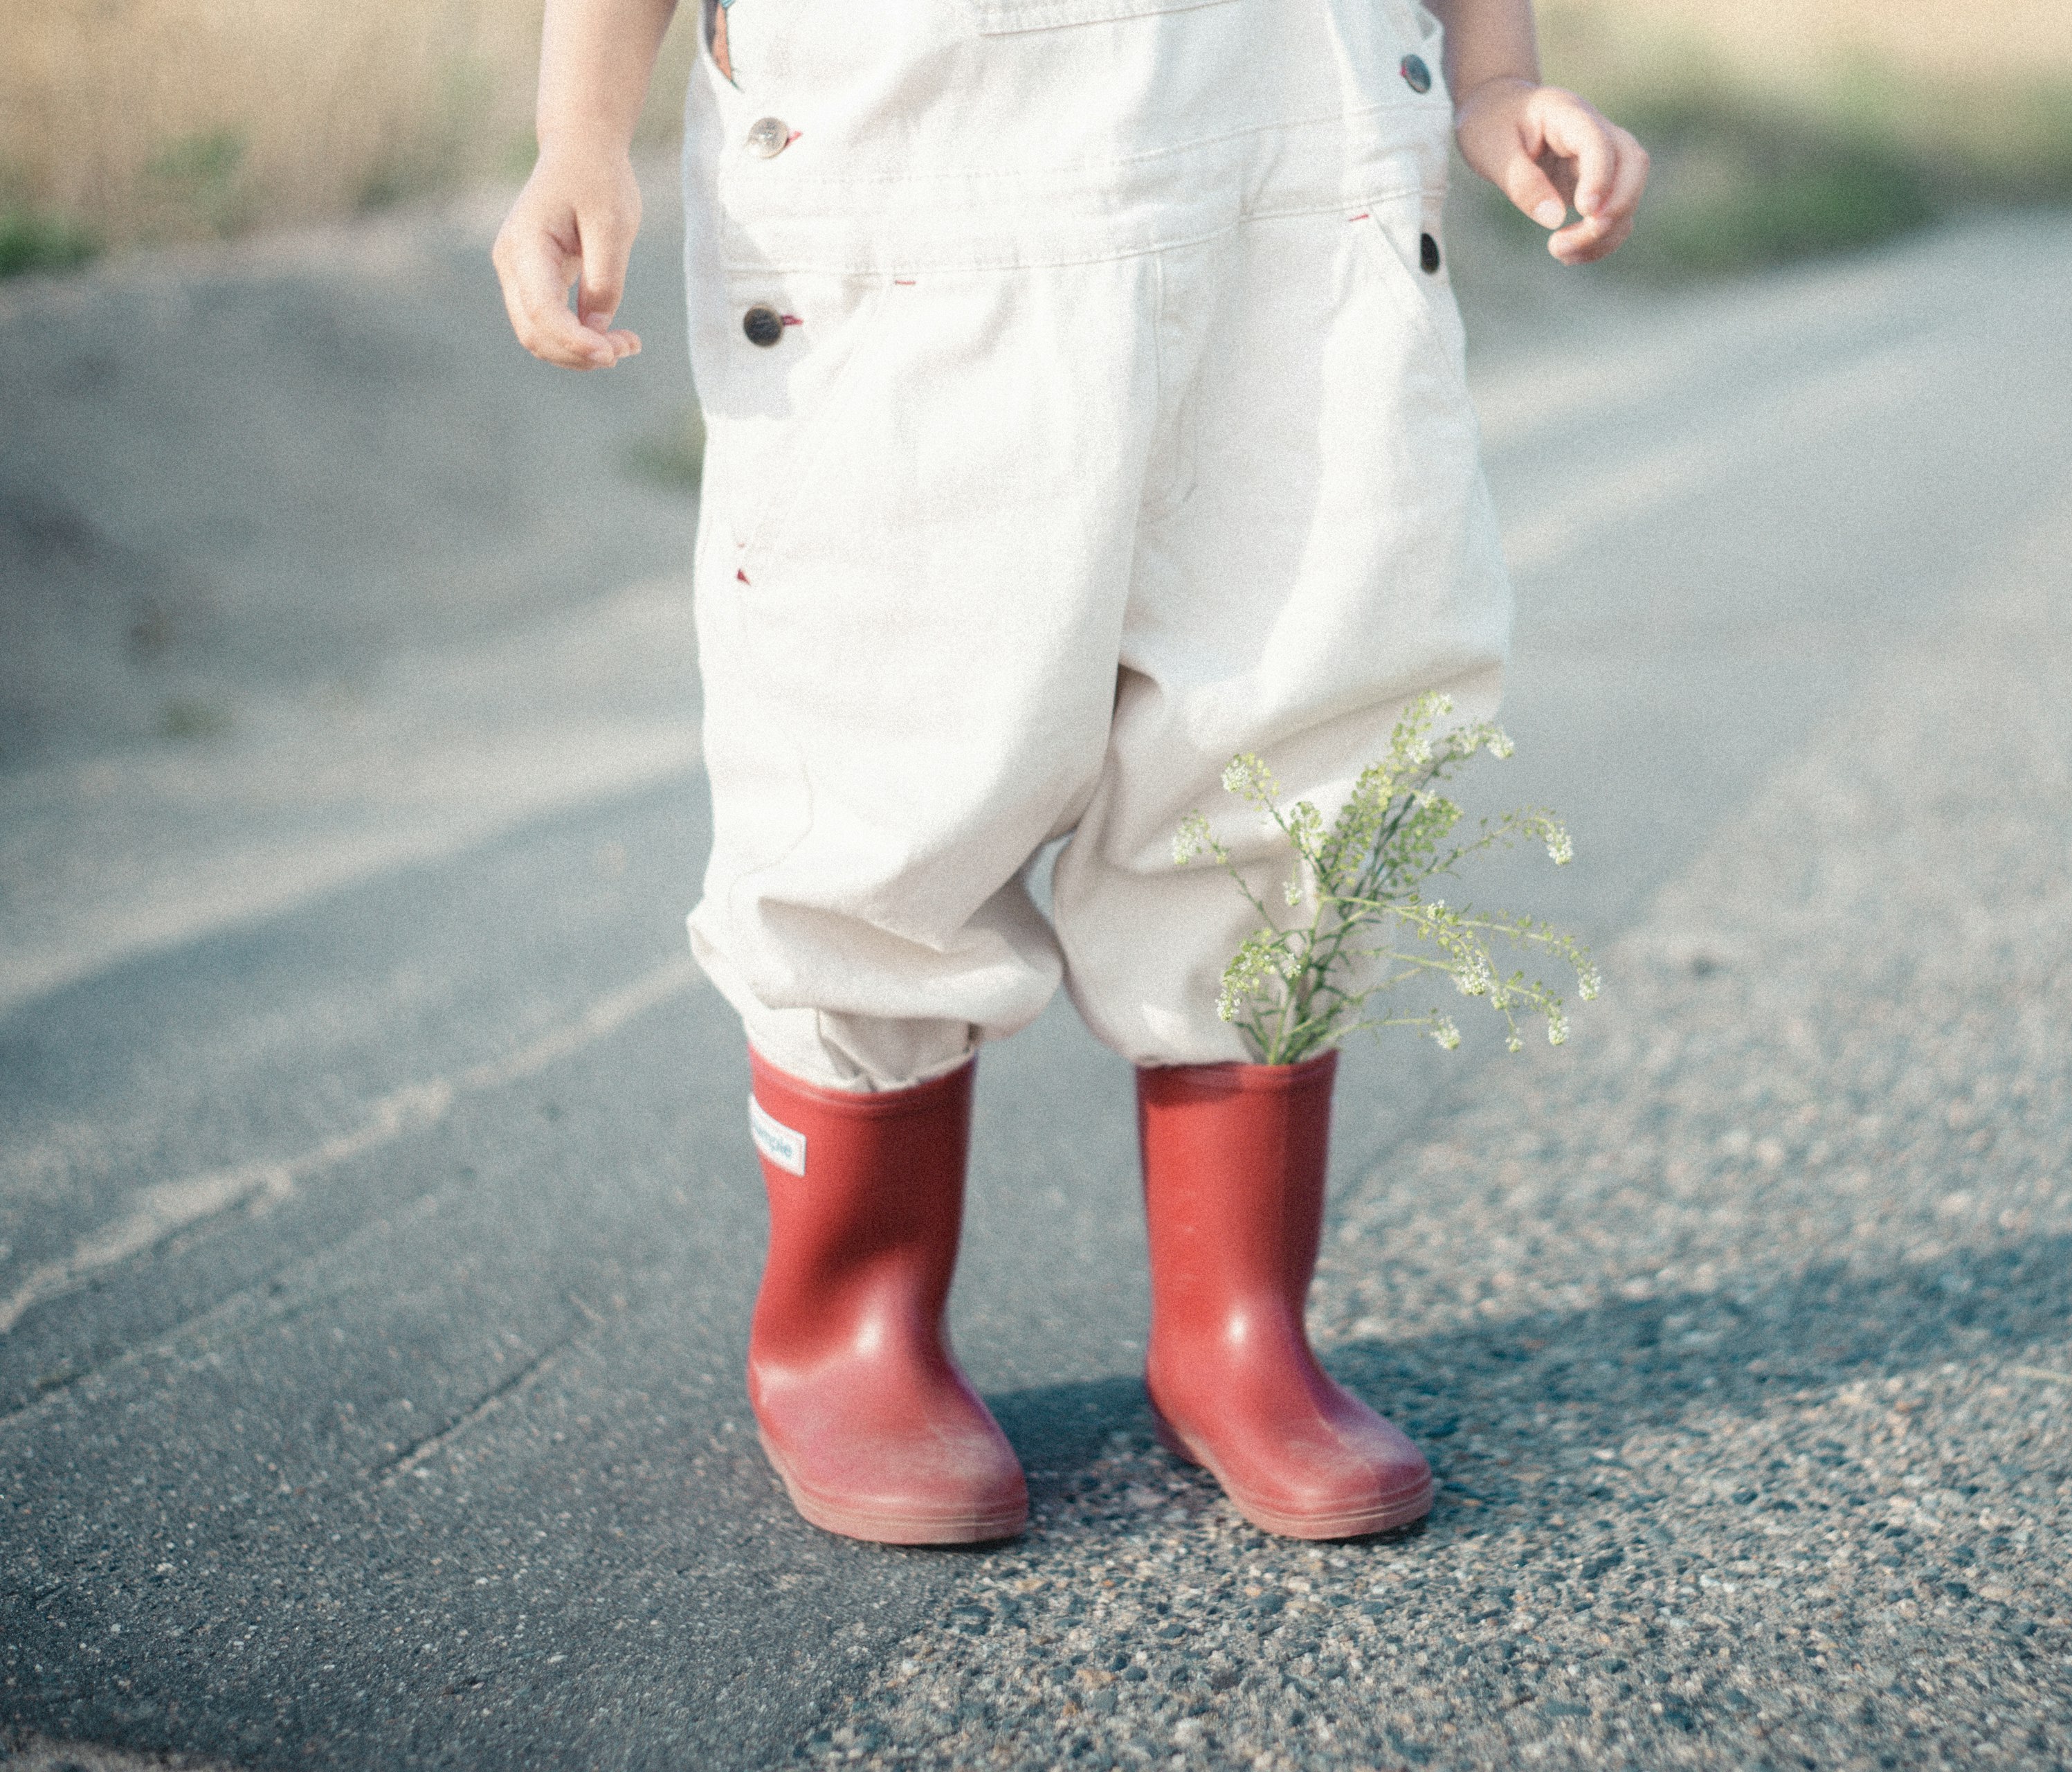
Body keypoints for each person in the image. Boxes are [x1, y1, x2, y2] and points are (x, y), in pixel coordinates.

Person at [492, 0, 1648, 1545]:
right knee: (881, 761)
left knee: (1300, 726)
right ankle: (852, 1328)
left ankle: (1240, 1325)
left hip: (1291, 169)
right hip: (908, 176)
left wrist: (1496, 77)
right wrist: (580, 132)